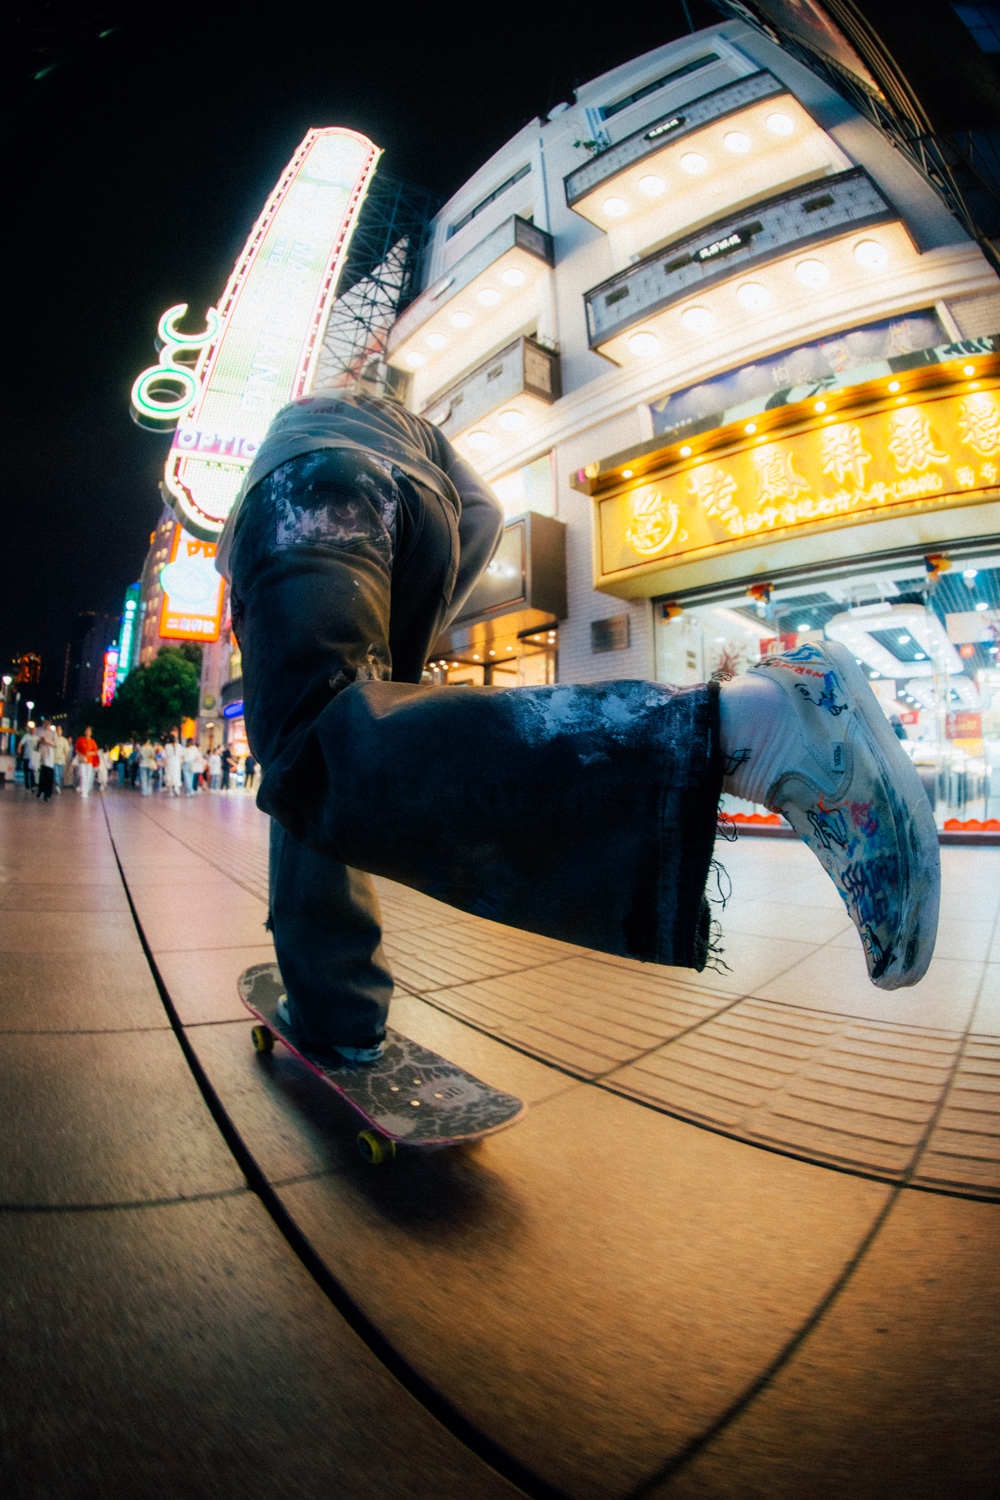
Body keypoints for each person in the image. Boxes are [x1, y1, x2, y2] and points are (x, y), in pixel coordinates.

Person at [219, 388, 941, 1068]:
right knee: (339, 758)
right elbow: (480, 512)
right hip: (429, 509)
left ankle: (749, 724)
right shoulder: (393, 427)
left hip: (302, 495)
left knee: (308, 758)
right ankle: (336, 1005)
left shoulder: (282, 459)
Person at [74, 726, 99, 798]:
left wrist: (90, 753)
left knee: (88, 776)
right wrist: (81, 755)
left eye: (89, 731)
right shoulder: (80, 739)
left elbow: (95, 752)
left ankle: (86, 791)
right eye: (87, 730)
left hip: (89, 761)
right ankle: (83, 790)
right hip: (82, 760)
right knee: (83, 776)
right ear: (85, 732)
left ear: (91, 733)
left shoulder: (92, 741)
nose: (88, 732)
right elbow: (76, 749)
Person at [36, 720, 57, 802]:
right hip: (40, 755)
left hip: (49, 757)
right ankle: (40, 790)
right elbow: (35, 740)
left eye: (47, 723)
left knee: (49, 776)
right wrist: (40, 740)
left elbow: (56, 744)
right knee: (41, 776)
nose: (46, 725)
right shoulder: (39, 730)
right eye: (44, 723)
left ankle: (47, 794)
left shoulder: (53, 733)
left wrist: (48, 741)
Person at [18, 727, 39, 792]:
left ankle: (33, 786)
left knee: (32, 772)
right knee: (26, 772)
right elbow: (21, 742)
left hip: (33, 758)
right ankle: (27, 786)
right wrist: (19, 748)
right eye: (32, 730)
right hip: (26, 757)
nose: (33, 731)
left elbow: (39, 745)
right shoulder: (26, 736)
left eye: (34, 730)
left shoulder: (36, 738)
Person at [162, 732, 183, 796]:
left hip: (170, 762)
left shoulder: (167, 746)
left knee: (169, 776)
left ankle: (171, 791)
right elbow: (181, 756)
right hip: (177, 762)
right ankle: (177, 788)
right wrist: (181, 763)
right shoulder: (179, 746)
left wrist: (165, 764)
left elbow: (164, 756)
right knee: (176, 776)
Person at [53, 725, 69, 793]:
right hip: (54, 759)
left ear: (61, 731)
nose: (58, 731)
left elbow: (66, 750)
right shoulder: (53, 739)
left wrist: (65, 756)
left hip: (61, 760)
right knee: (56, 773)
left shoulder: (64, 740)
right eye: (57, 730)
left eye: (59, 730)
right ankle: (57, 785)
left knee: (60, 773)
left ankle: (58, 785)